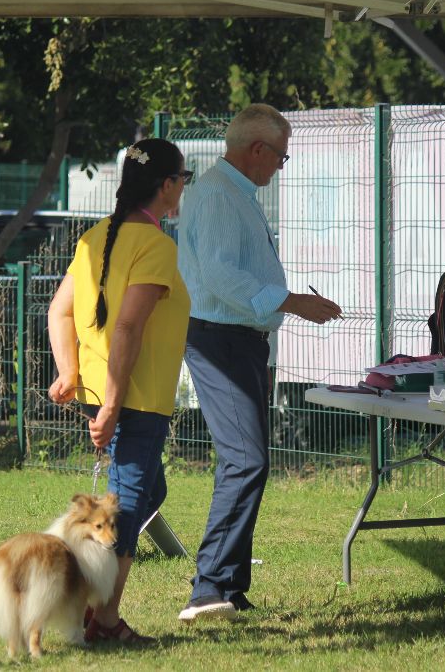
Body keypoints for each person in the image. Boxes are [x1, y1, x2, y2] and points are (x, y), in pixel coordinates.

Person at [175, 103, 343, 621]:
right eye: (280, 158)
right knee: (245, 460)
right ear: (257, 150)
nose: (279, 168)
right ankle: (207, 589)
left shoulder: (230, 193)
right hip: (220, 341)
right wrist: (291, 301)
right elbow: (223, 277)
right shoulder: (220, 196)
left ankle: (227, 585)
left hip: (239, 341)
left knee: (248, 460)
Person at [47, 138, 192, 642]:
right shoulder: (156, 245)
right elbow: (127, 329)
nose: (183, 189)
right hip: (134, 397)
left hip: (104, 392)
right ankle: (103, 620)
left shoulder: (94, 236)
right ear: (167, 185)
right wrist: (110, 403)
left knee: (152, 491)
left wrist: (70, 373)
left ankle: (90, 606)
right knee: (126, 508)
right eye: (183, 180)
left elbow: (58, 311)